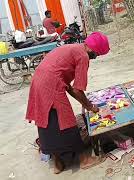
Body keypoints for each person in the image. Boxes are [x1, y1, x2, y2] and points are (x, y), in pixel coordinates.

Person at [25, 32, 110, 174]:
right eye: (97, 54)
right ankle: (84, 160)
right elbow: (77, 89)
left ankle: (58, 163)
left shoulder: (73, 48)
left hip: (38, 80)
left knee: (48, 121)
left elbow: (69, 87)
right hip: (51, 84)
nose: (95, 57)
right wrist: (90, 106)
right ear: (94, 50)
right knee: (67, 121)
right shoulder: (83, 56)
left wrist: (85, 103)